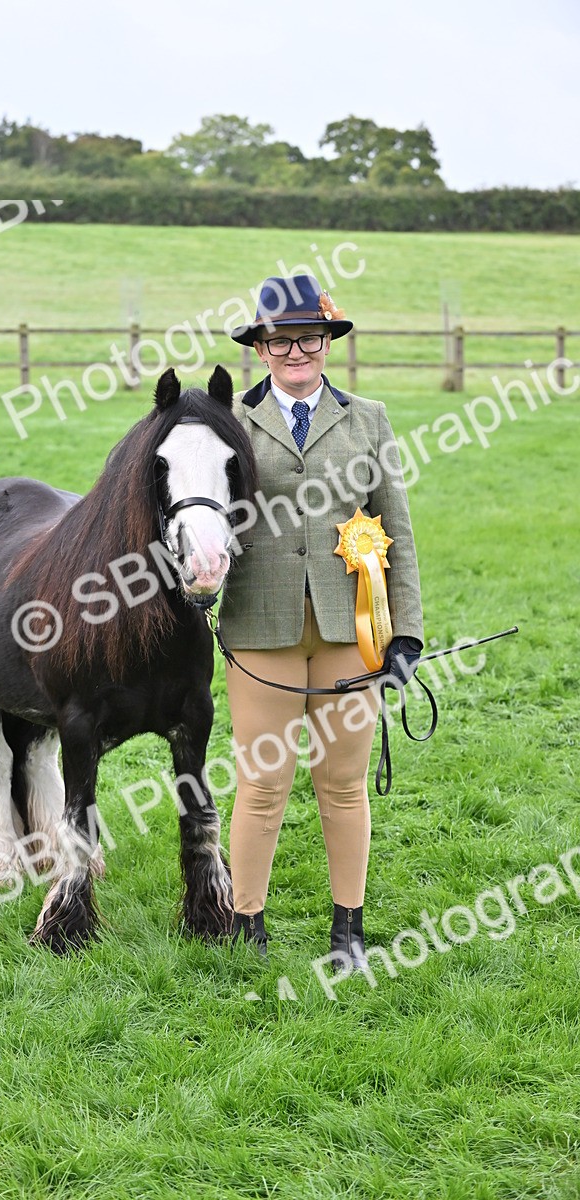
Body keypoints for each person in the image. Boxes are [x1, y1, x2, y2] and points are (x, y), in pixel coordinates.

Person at [218, 274, 424, 969]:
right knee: (262, 783)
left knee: (342, 783)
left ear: (327, 342)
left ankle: (349, 932)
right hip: (260, 626)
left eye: (308, 338)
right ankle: (247, 925)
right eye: (280, 341)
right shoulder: (235, 425)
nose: (295, 351)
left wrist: (407, 632)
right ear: (261, 348)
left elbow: (396, 526)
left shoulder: (369, 418)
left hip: (350, 629)